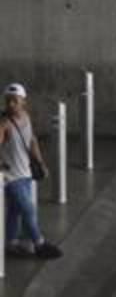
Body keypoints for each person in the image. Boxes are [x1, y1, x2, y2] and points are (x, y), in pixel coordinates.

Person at [1, 84, 62, 260]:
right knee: (28, 210)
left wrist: (40, 162)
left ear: (23, 102)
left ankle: (11, 243)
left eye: (14, 101)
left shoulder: (26, 118)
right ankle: (40, 243)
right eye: (7, 101)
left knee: (15, 210)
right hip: (11, 178)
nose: (11, 104)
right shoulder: (4, 124)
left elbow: (32, 140)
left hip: (26, 173)